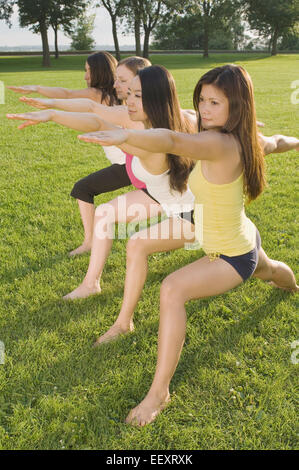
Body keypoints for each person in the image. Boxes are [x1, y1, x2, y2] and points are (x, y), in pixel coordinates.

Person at [78, 64, 299, 426]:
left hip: (229, 253)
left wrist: (121, 136)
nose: (205, 109)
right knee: (271, 270)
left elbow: (173, 141)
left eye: (215, 102)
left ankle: (159, 393)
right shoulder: (247, 139)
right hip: (243, 235)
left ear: (238, 106)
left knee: (172, 289)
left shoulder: (218, 143)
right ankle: (290, 284)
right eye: (202, 100)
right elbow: (277, 141)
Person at [7, 66, 198, 303]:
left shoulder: (175, 127)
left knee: (142, 243)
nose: (128, 100)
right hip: (161, 195)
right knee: (104, 213)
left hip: (190, 210)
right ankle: (91, 284)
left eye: (137, 95)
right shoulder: (137, 116)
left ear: (157, 97)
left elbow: (99, 123)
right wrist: (51, 112)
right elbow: (94, 112)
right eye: (129, 93)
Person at [9, 56, 152, 256]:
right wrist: (51, 110)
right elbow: (92, 116)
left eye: (88, 70)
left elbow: (73, 98)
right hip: (131, 161)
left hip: (130, 162)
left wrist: (40, 94)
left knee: (83, 188)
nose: (85, 76)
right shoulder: (118, 99)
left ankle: (89, 242)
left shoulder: (100, 95)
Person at [7, 51, 120, 104]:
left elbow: (67, 94)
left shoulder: (96, 94)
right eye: (86, 70)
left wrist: (37, 88)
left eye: (90, 71)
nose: (85, 77)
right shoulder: (117, 94)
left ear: (101, 71)